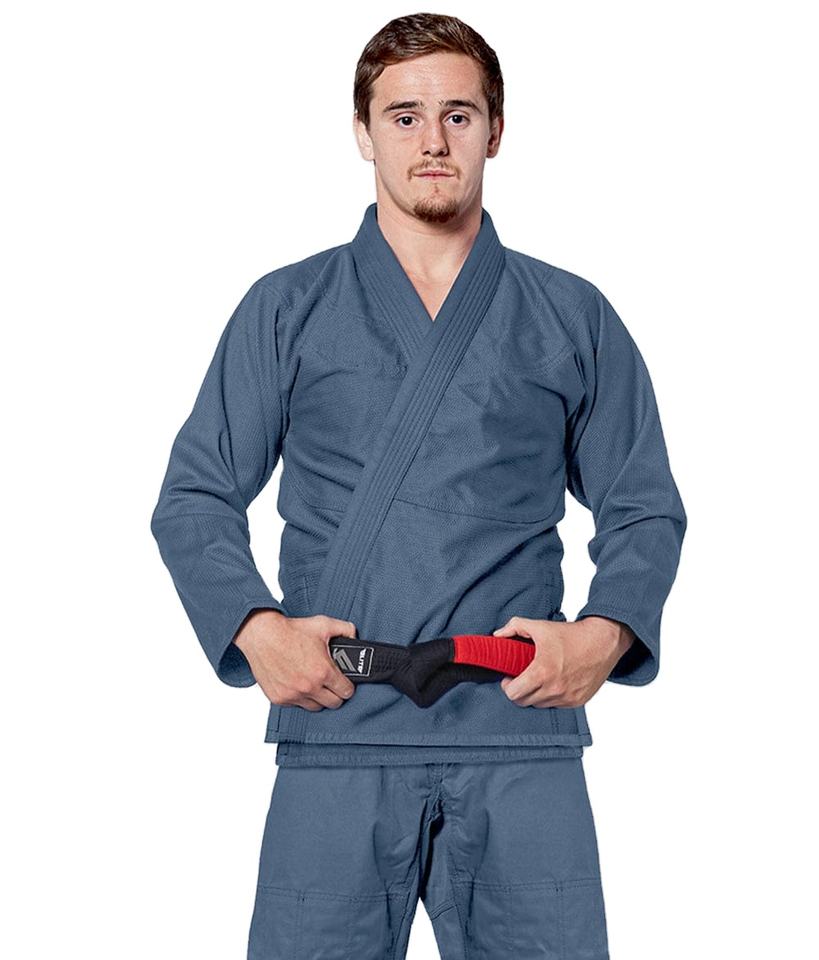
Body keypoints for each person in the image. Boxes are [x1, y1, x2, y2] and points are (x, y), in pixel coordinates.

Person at [150, 12, 687, 959]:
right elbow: (195, 494)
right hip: (338, 725)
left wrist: (602, 636)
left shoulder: (570, 314)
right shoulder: (288, 307)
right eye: (403, 116)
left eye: (457, 115)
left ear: (495, 131)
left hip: (517, 729)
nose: (432, 140)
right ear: (363, 133)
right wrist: (255, 629)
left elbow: (642, 504)